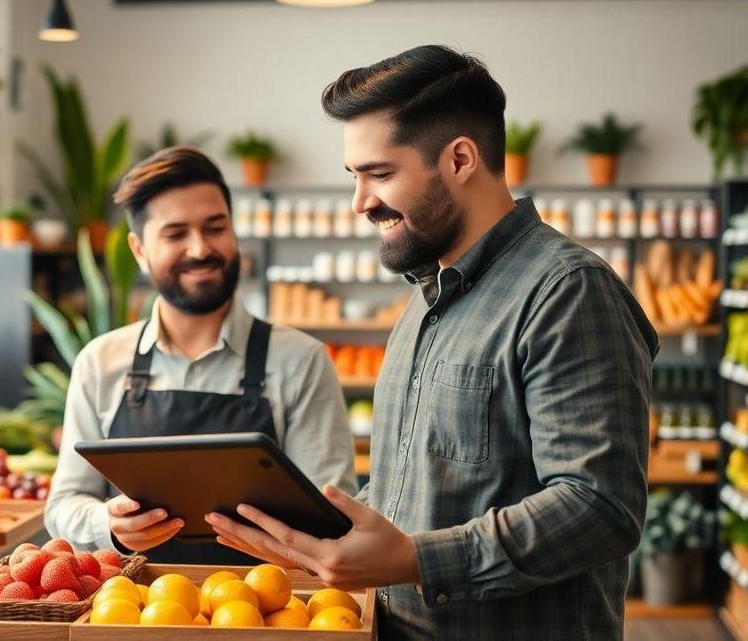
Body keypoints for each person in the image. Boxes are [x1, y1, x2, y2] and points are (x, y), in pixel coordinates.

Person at [206, 45, 657, 639]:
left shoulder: (568, 292)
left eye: (380, 174)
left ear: (461, 159)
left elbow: (599, 508)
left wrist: (416, 561)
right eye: (355, 178)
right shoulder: (425, 300)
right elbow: (413, 489)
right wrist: (316, 535)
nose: (361, 203)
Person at [45, 146, 358, 564]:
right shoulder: (100, 362)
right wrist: (109, 524)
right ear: (139, 250)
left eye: (215, 227)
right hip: (130, 613)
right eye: (176, 234)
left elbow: (332, 515)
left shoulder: (301, 360)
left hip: (263, 612)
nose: (200, 249)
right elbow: (63, 504)